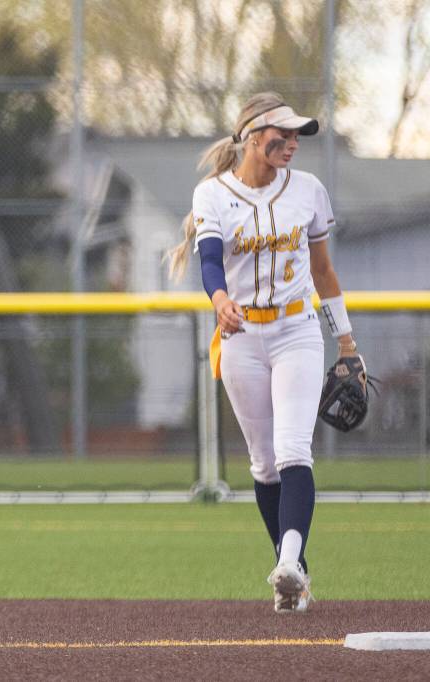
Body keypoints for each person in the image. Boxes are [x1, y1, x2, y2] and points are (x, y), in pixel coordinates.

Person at [165, 92, 360, 614]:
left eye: (298, 135)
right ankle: (292, 570)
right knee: (264, 463)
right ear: (252, 136)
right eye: (284, 133)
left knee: (295, 449)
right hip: (242, 337)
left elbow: (322, 273)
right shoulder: (213, 194)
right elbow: (209, 261)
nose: (293, 142)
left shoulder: (309, 191)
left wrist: (346, 340)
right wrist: (220, 298)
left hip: (296, 329)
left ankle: (290, 563)